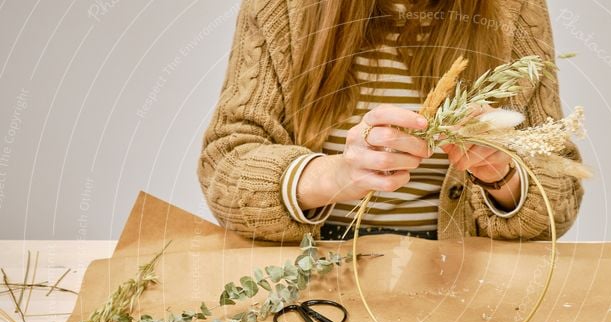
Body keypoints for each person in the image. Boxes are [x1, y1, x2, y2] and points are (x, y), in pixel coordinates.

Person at [198, 0, 584, 242]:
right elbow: (224, 168)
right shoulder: (284, 7)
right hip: (311, 283)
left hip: (461, 284)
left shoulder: (515, 9)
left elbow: (559, 201)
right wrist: (332, 176)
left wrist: (503, 174)